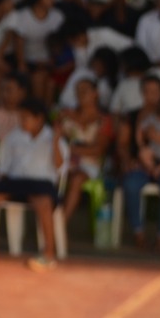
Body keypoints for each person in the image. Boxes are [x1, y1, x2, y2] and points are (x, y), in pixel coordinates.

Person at [0, 100, 68, 270]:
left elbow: (61, 167)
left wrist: (55, 142)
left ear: (39, 119)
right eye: (20, 118)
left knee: (44, 202)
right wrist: (1, 184)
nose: (22, 122)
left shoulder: (53, 137)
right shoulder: (13, 137)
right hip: (14, 181)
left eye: (26, 118)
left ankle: (48, 253)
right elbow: (3, 166)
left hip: (42, 183)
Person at [119, 75, 160, 250]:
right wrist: (131, 159)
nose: (151, 96)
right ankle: (138, 233)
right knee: (131, 185)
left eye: (155, 92)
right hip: (141, 165)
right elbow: (125, 143)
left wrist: (156, 136)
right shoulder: (133, 116)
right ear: (142, 93)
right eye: (147, 92)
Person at [59, 77, 114, 231]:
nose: (81, 94)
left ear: (96, 93)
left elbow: (98, 150)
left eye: (85, 90)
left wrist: (70, 149)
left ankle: (60, 223)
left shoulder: (103, 120)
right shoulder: (65, 115)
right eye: (78, 91)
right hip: (62, 161)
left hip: (90, 165)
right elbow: (55, 139)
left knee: (77, 179)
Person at [10, 0, 65, 101]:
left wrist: (53, 61)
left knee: (46, 80)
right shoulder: (23, 16)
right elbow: (19, 41)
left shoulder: (58, 17)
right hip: (30, 61)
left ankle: (44, 110)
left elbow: (60, 44)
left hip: (50, 61)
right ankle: (38, 108)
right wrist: (21, 64)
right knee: (38, 78)